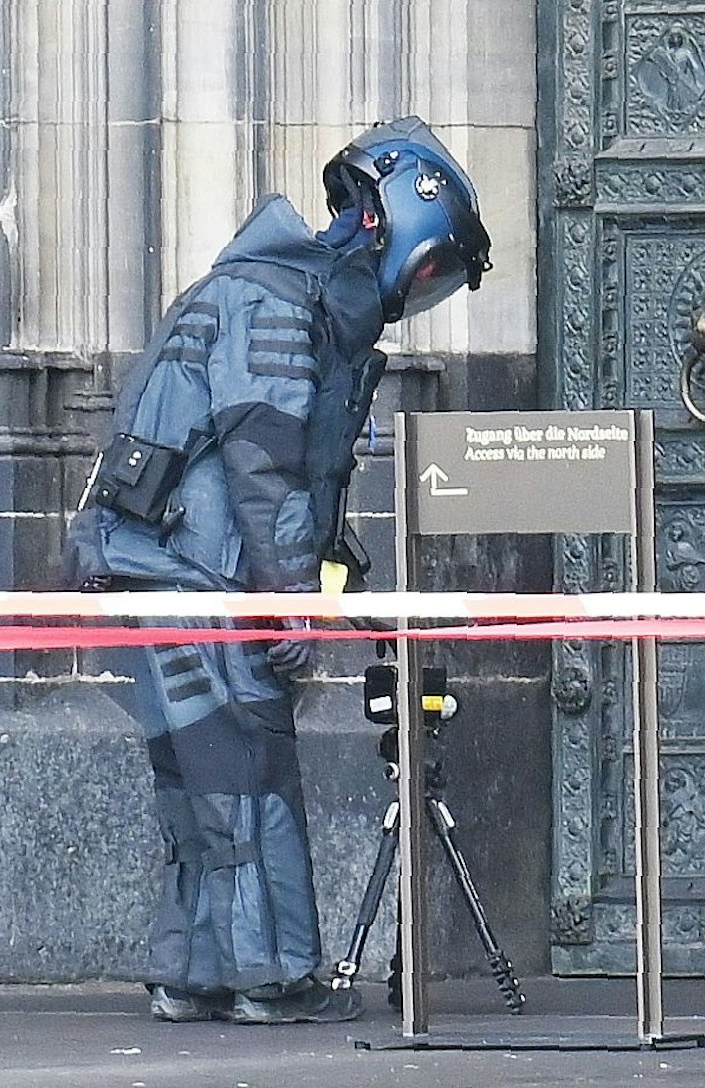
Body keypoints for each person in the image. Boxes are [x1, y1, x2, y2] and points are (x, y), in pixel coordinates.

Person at [67, 118, 491, 1024]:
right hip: (200, 575)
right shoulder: (275, 302)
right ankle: (274, 977)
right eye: (432, 272)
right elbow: (264, 469)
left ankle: (194, 974)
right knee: (249, 771)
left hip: (155, 565)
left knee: (201, 782)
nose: (420, 294)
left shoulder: (261, 288)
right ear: (396, 226)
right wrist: (291, 604)